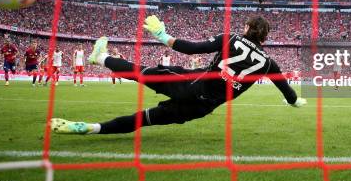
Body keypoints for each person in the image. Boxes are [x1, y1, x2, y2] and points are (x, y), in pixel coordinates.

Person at [51, 15, 306, 134]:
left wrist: (163, 36)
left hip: (192, 85)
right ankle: (93, 128)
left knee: (143, 73)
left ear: (248, 28)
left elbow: (192, 48)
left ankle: (101, 58)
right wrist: (294, 102)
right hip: (204, 107)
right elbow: (286, 90)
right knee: (145, 119)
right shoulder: (269, 63)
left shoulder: (232, 38)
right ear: (265, 36)